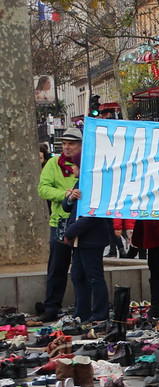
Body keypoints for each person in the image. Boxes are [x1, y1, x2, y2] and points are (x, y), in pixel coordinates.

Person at [37, 127, 82, 322]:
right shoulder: (53, 164)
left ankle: (83, 308)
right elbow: (43, 189)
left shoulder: (87, 164)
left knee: (83, 269)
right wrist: (63, 194)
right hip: (60, 222)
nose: (67, 147)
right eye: (64, 144)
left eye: (71, 144)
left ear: (80, 146)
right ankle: (51, 308)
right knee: (56, 267)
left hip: (83, 223)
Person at [61, 184, 109, 322]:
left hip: (92, 240)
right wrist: (70, 198)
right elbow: (66, 207)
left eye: (74, 166)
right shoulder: (80, 182)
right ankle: (82, 312)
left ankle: (100, 314)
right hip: (79, 240)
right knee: (78, 276)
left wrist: (70, 232)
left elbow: (92, 216)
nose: (72, 169)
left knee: (95, 277)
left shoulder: (96, 185)